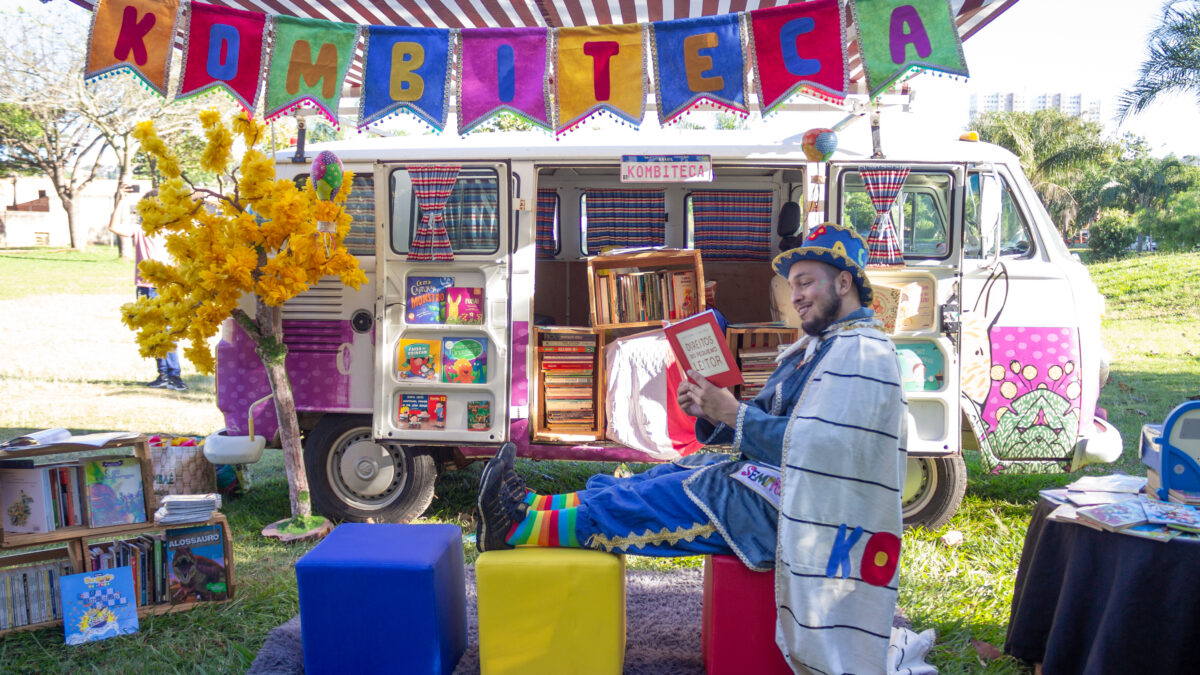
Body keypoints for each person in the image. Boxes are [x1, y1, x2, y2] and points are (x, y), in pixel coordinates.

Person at [475, 223, 908, 673]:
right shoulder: (819, 348)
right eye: (792, 285)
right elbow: (773, 425)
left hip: (813, 514)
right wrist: (709, 407)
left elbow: (819, 449)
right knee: (666, 475)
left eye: (806, 283)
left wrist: (730, 413)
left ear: (843, 282)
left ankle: (517, 530)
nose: (795, 295)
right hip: (787, 487)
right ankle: (532, 506)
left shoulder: (861, 354)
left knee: (675, 495)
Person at [109, 190, 188, 391]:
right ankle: (163, 374)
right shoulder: (141, 229)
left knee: (168, 332)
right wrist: (120, 201)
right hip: (144, 288)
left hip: (166, 287)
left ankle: (174, 375)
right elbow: (114, 227)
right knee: (153, 333)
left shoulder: (173, 230)